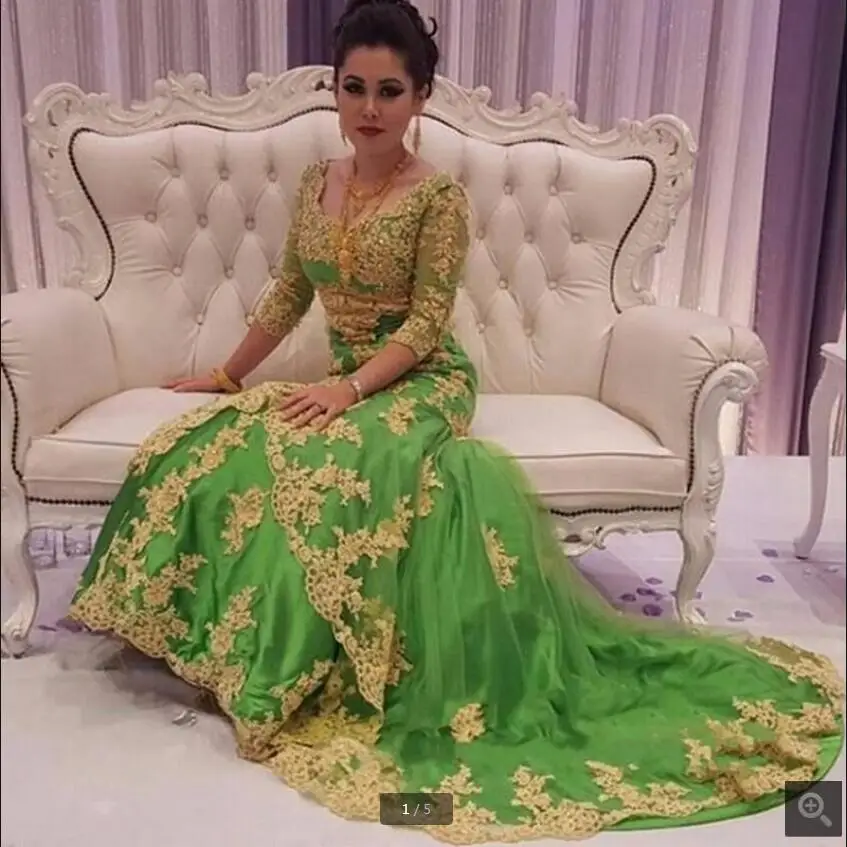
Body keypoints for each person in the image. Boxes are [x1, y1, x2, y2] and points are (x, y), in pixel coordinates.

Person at [69, 0, 843, 841]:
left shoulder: (436, 197)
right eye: (354, 88)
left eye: (389, 91)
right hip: (348, 379)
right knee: (219, 444)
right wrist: (227, 374)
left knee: (332, 467)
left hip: (419, 380)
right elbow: (289, 292)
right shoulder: (315, 181)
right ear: (335, 91)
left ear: (419, 98)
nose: (369, 108)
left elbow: (424, 325)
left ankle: (322, 671)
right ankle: (231, 646)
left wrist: (348, 392)